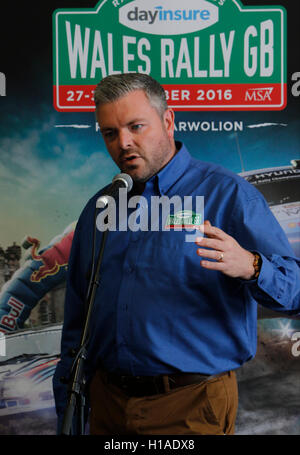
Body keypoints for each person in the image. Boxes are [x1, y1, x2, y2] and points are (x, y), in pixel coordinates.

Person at [53, 73, 300, 435]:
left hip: (191, 406)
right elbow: (77, 320)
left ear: (168, 121)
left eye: (136, 126)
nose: (124, 143)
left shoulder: (228, 195)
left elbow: (294, 290)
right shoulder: (100, 209)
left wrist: (252, 265)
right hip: (107, 406)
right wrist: (69, 413)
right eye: (110, 133)